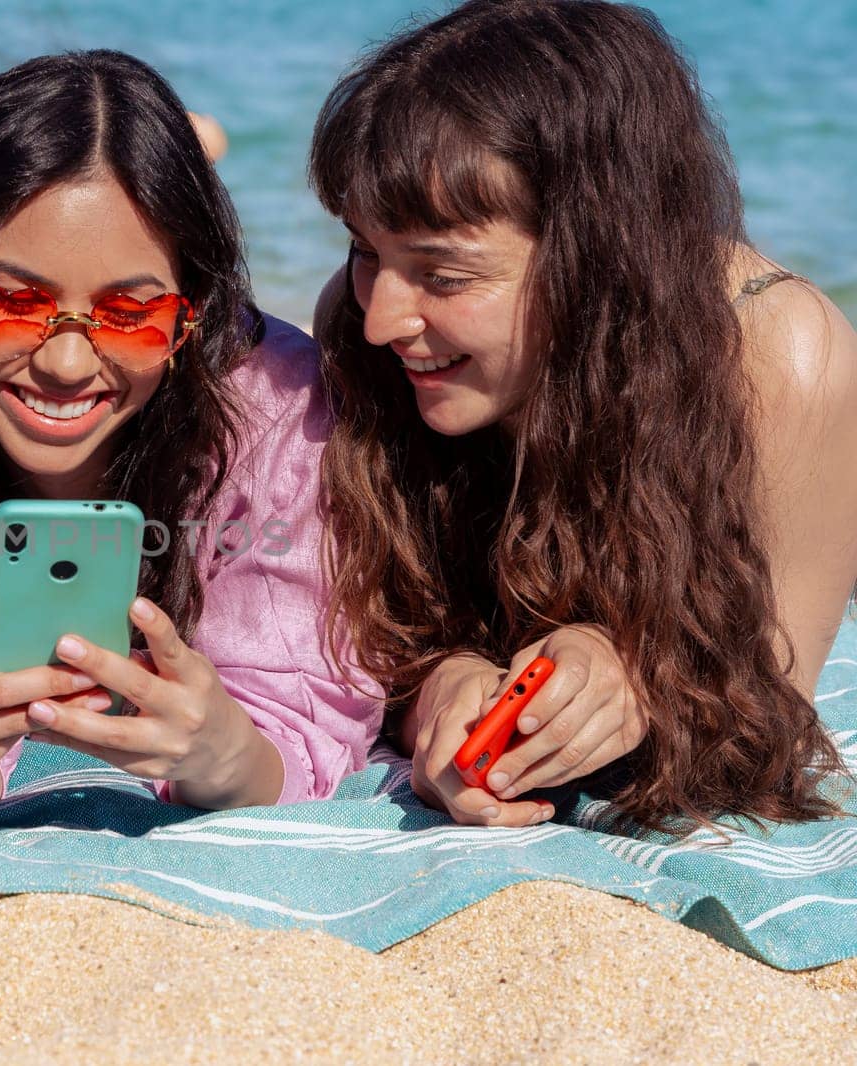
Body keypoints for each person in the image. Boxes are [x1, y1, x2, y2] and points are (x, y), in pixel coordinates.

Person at [306, 0, 857, 829]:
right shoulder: (363, 327)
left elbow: (771, 716)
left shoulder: (781, 354)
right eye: (363, 250)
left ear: (598, 252)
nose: (384, 320)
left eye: (445, 276)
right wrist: (441, 693)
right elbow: (368, 629)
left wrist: (633, 675)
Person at [0, 50, 381, 821]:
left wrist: (223, 751)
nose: (63, 362)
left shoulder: (279, 407)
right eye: (13, 301)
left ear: (195, 313)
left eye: (130, 315)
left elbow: (300, 732)